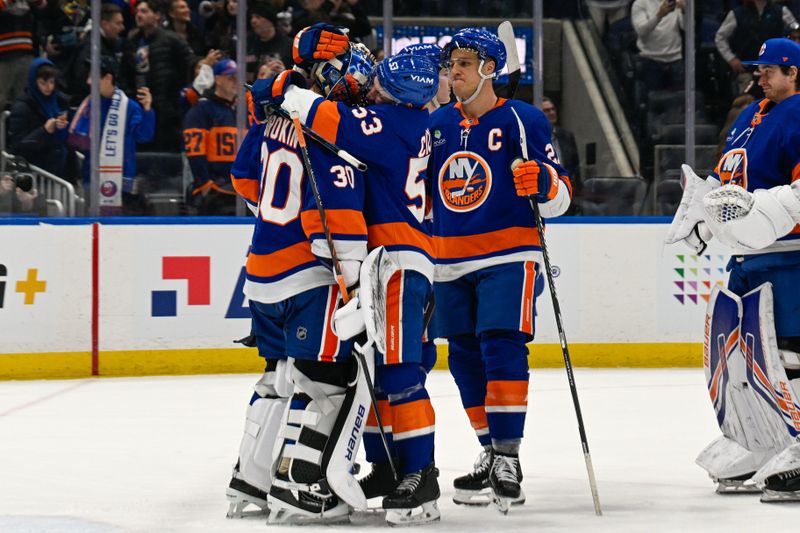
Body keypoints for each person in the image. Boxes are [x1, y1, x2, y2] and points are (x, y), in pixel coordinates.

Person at [255, 26, 442, 526]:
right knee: (386, 374)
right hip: (399, 260)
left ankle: (420, 474)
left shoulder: (389, 124)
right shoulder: (409, 122)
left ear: (398, 93)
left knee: (402, 375)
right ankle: (386, 468)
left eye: (381, 85)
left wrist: (289, 83)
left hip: (400, 263)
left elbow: (316, 112)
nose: (370, 88)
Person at [225, 43, 374, 523]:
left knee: (276, 380)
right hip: (309, 277)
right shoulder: (326, 126)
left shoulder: (270, 120)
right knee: (323, 382)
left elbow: (245, 182)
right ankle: (299, 482)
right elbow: (331, 216)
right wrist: (351, 276)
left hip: (261, 273)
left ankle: (251, 478)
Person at [427, 27, 572, 513]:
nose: (454, 72)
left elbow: (562, 197)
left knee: (500, 342)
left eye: (464, 63)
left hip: (510, 252)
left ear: (490, 68)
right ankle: (489, 449)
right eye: (451, 65)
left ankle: (509, 456)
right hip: (449, 257)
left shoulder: (523, 119)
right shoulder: (438, 125)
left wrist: (545, 183)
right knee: (464, 355)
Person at [665, 37, 800, 502]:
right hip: (746, 256)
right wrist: (703, 213)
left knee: (790, 353)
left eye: (770, 69)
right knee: (744, 354)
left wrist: (759, 209)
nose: (759, 74)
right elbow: (728, 182)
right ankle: (763, 440)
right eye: (758, 68)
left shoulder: (799, 114)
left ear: (795, 73)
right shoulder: (748, 117)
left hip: (790, 254)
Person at [67, 56, 155, 215]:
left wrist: (147, 110)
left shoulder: (129, 107)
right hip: (92, 180)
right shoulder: (88, 105)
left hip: (122, 183)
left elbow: (144, 136)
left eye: (92, 77)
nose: (88, 82)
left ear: (108, 78)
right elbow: (77, 142)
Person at [126, 0, 192, 151]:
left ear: (157, 15)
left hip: (167, 112)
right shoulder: (132, 42)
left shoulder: (172, 40)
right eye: (138, 11)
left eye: (144, 11)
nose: (139, 15)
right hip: (141, 107)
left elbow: (188, 64)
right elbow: (126, 73)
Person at [183, 58, 239, 215]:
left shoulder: (242, 112)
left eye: (237, 77)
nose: (235, 81)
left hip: (243, 192)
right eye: (230, 77)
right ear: (217, 79)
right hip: (216, 194)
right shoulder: (202, 110)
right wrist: (206, 185)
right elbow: (195, 152)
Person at [715, 0, 798, 94]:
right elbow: (720, 37)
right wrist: (731, 59)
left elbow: (795, 32)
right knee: (746, 101)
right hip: (747, 70)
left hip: (775, 69)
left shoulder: (781, 11)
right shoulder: (737, 14)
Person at [8, 58, 71, 179]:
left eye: (52, 82)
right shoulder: (22, 107)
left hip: (61, 170)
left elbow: (68, 142)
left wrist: (65, 128)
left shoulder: (61, 102)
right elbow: (18, 147)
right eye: (43, 83)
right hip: (37, 175)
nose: (49, 87)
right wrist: (44, 131)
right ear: (33, 81)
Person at [66, 3, 135, 107]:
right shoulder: (90, 49)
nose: (122, 28)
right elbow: (83, 83)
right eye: (118, 23)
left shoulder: (106, 44)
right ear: (104, 24)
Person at [0, 0, 46, 111]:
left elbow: (43, 6)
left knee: (24, 100)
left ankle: (18, 127)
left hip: (26, 54)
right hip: (2, 57)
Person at [631, 0, 685, 93]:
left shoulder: (676, 2)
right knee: (652, 99)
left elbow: (686, 27)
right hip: (650, 60)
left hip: (675, 60)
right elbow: (641, 31)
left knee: (679, 101)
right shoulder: (640, 3)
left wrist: (685, 11)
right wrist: (659, 15)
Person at [542, 96, 581, 214]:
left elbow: (575, 166)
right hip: (544, 195)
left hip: (566, 195)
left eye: (553, 109)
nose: (552, 113)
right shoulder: (531, 137)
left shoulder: (566, 136)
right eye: (547, 111)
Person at [246, 2, 292, 83]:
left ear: (270, 21)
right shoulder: (247, 44)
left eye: (258, 17)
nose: (253, 21)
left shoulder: (288, 45)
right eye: (252, 17)